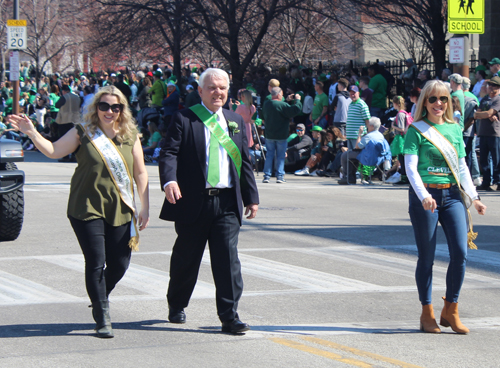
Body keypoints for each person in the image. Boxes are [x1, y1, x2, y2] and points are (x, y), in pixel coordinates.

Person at [8, 85, 150, 338]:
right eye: (104, 106)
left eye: (115, 107)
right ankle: (102, 315)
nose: (109, 111)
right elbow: (53, 151)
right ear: (96, 108)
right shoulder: (82, 132)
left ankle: (99, 294)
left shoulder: (130, 135)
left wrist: (145, 206)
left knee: (119, 263)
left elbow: (140, 172)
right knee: (96, 261)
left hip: (120, 206)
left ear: (122, 110)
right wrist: (31, 132)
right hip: (86, 207)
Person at [158, 68, 259, 334]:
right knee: (186, 259)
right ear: (200, 91)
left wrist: (251, 197)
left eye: (222, 87)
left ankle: (229, 316)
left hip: (226, 202)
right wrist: (169, 180)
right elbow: (169, 153)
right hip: (193, 202)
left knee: (227, 262)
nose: (218, 92)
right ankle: (177, 303)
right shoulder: (184, 118)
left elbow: (244, 162)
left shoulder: (235, 119)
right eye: (212, 87)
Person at [403, 80, 486, 334]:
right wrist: (423, 195)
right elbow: (411, 167)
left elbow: (461, 167)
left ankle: (451, 309)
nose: (438, 104)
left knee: (460, 252)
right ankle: (426, 312)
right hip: (426, 197)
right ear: (424, 102)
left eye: (443, 99)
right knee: (426, 256)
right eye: (433, 99)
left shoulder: (454, 129)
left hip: (452, 196)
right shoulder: (416, 130)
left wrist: (474, 197)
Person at [261, 87, 302, 183]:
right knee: (280, 156)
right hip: (281, 135)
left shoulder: (266, 104)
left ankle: (267, 176)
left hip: (269, 134)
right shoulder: (282, 105)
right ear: (279, 94)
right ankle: (279, 176)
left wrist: (287, 100)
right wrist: (297, 100)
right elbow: (295, 110)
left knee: (269, 155)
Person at [338, 116, 385, 185]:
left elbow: (358, 146)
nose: (367, 126)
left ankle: (348, 177)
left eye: (368, 125)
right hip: (379, 157)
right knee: (354, 155)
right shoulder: (381, 135)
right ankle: (351, 177)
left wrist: (359, 134)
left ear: (371, 126)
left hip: (367, 157)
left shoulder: (369, 136)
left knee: (345, 155)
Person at [474, 76, 500, 191]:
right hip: (483, 132)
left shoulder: (498, 99)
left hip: (495, 133)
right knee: (484, 159)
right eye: (489, 85)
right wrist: (486, 115)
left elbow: (489, 113)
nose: (490, 87)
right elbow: (476, 114)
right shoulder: (484, 99)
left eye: (493, 85)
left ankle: (498, 181)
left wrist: (487, 114)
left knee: (497, 159)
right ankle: (486, 182)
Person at [55, 84, 81, 162]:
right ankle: (75, 156)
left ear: (63, 91)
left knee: (64, 139)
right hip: (75, 120)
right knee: (75, 138)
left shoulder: (64, 97)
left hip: (65, 120)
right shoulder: (77, 97)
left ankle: (65, 156)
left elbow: (57, 105)